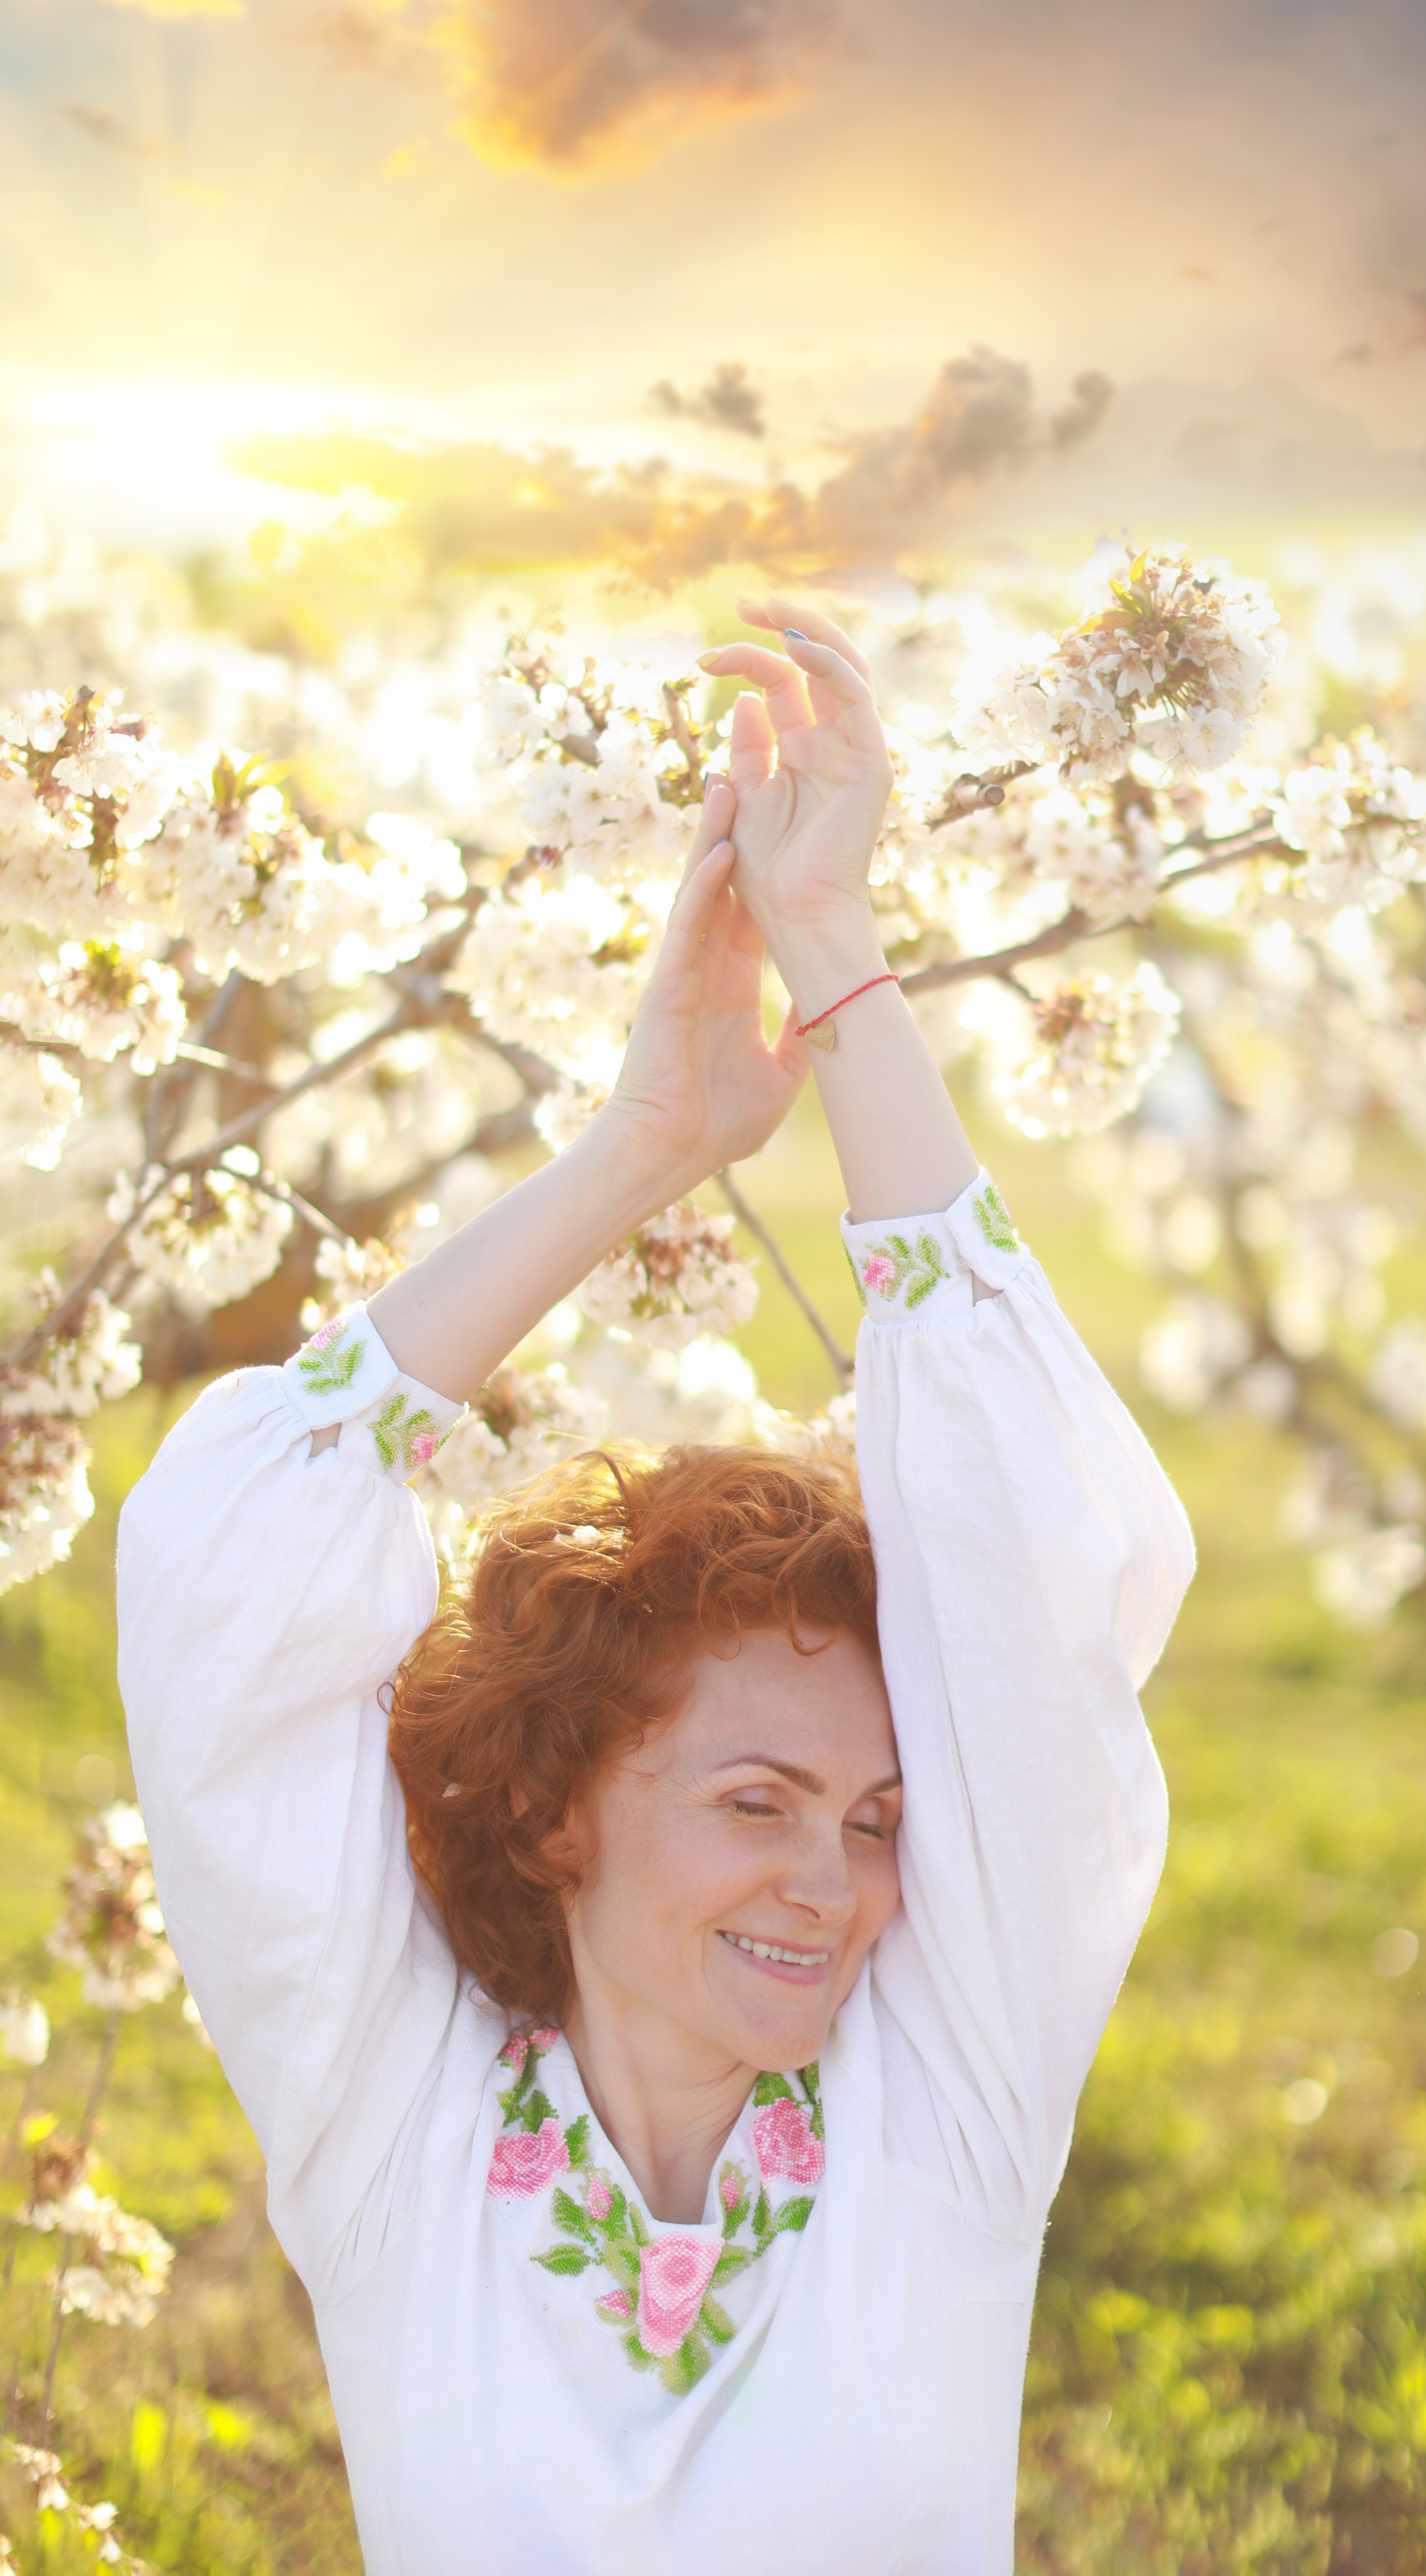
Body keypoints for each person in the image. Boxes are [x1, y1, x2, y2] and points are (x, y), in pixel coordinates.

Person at [118, 602, 1195, 2574]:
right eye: (755, 1801)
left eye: (875, 1819)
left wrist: (838, 959)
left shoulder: (951, 2091)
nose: (835, 1882)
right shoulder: (389, 2125)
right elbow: (233, 1561)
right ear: (553, 1810)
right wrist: (643, 1148)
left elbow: (1030, 1559)